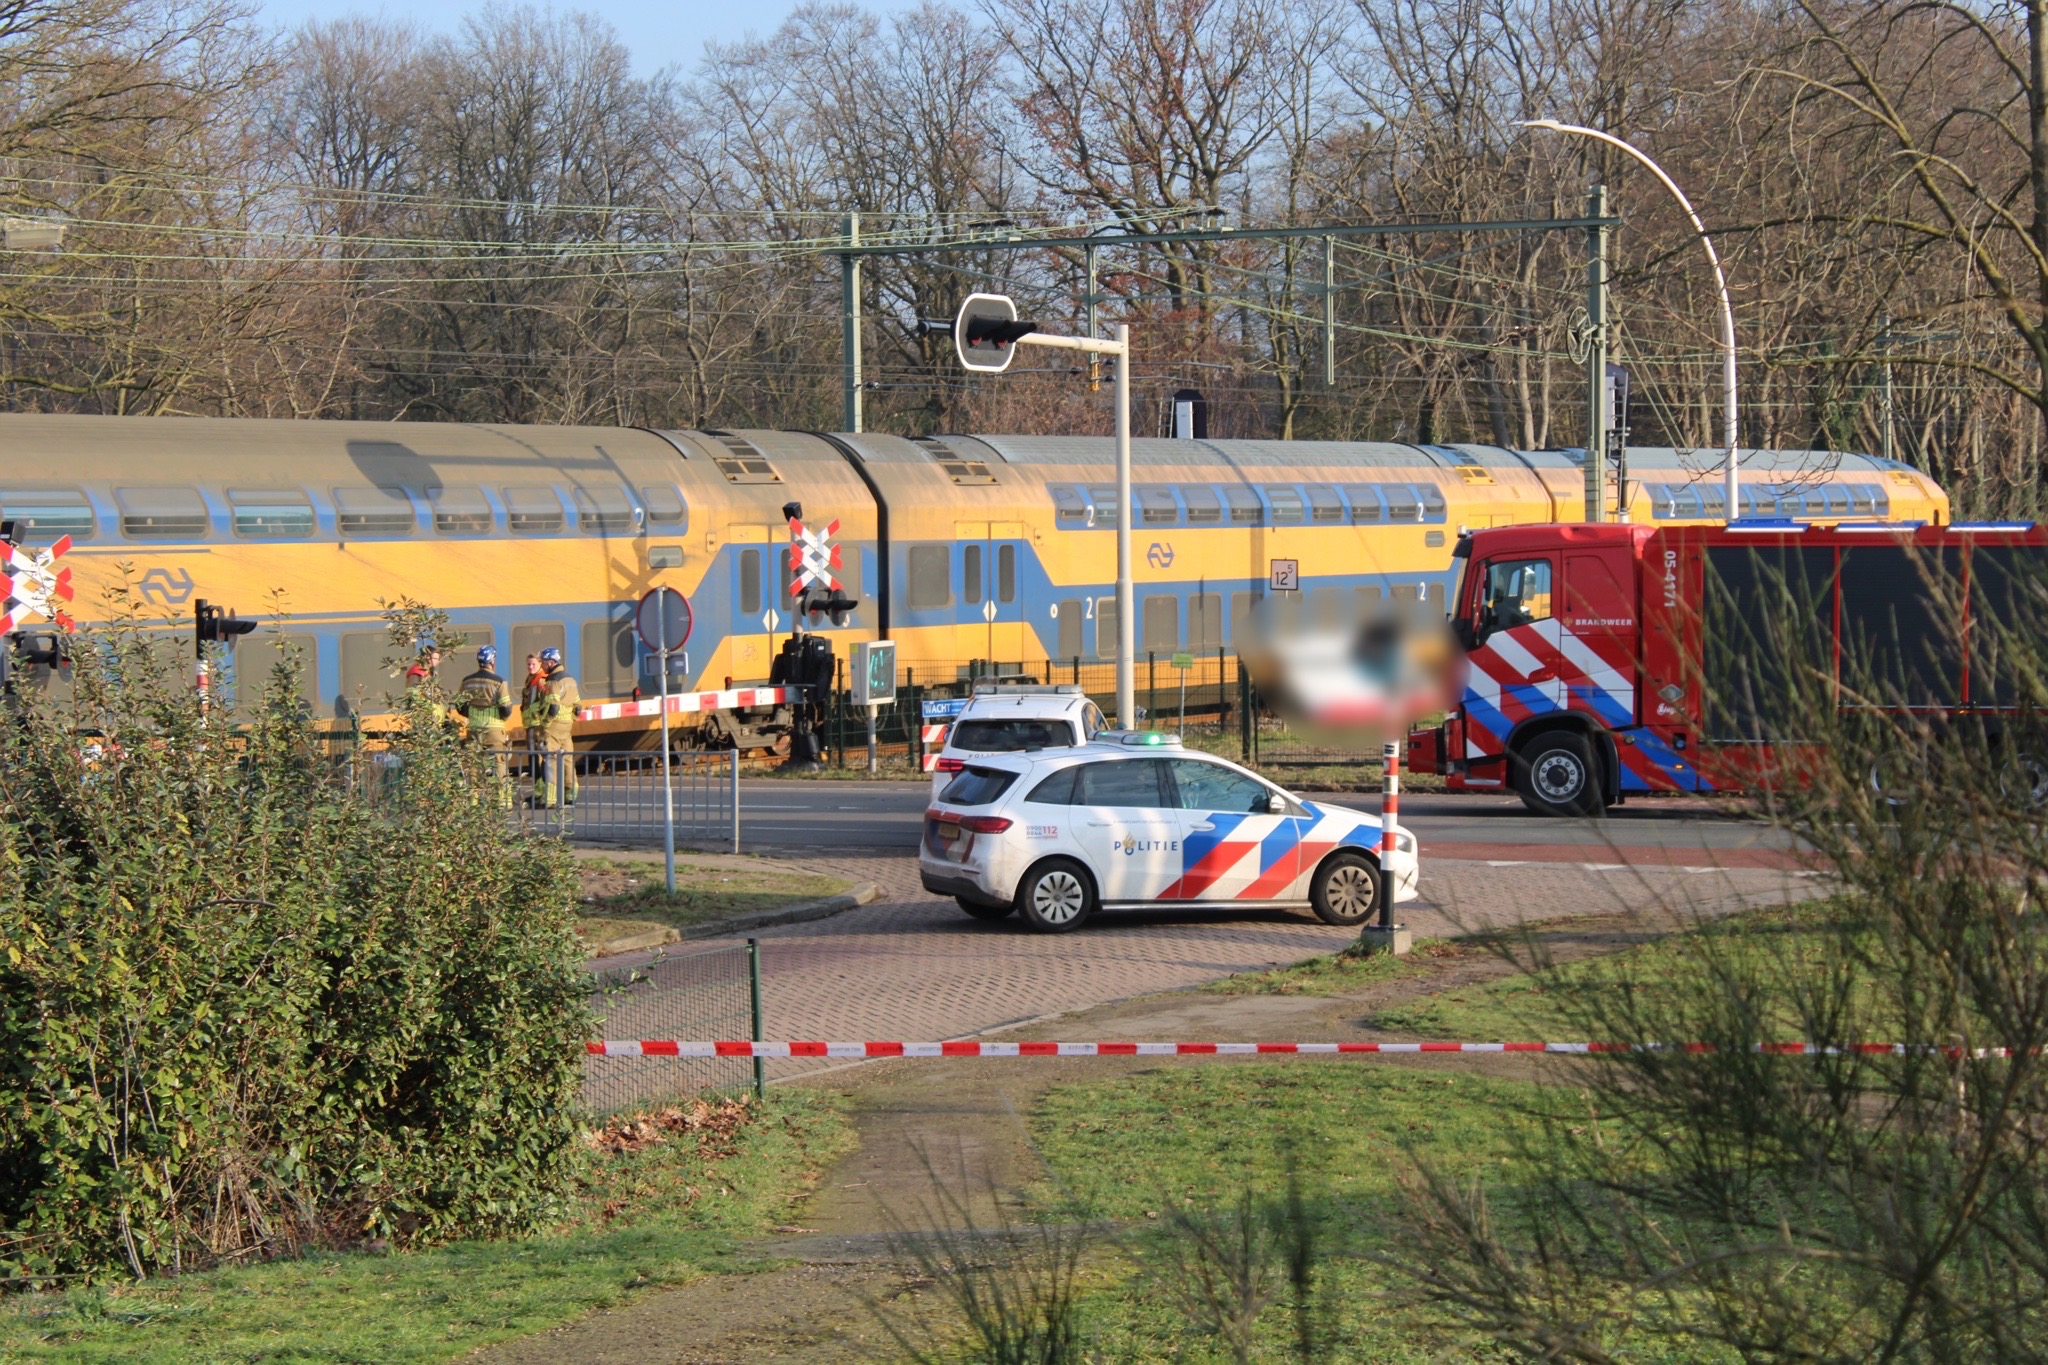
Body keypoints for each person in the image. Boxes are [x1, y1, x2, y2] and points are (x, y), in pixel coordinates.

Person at [458, 645, 515, 807]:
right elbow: (506, 708)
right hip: (494, 730)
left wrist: (471, 713)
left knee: (473, 765)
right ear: (492, 661)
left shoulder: (467, 681)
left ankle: (472, 801)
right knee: (499, 762)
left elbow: (459, 705)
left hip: (474, 729)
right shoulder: (499, 682)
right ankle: (502, 801)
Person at [532, 646, 581, 808]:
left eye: (544, 662)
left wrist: (545, 724)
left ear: (552, 662)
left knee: (550, 760)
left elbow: (553, 707)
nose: (543, 665)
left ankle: (550, 798)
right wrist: (570, 719)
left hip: (552, 727)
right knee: (568, 759)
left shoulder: (553, 681)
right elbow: (578, 707)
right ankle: (570, 794)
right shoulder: (571, 680)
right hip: (567, 726)